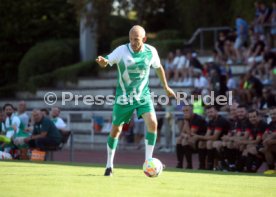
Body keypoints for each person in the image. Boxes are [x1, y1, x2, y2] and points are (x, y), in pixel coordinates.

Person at [96, 25, 176, 176]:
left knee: (153, 123)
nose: (133, 42)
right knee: (116, 130)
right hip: (123, 97)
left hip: (142, 96)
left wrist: (166, 87)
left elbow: (159, 68)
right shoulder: (121, 50)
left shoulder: (151, 51)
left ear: (144, 39)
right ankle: (109, 165)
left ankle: (148, 163)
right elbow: (107, 60)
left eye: (136, 39)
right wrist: (103, 62)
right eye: (131, 39)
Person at [175, 105, 207, 169]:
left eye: (187, 110)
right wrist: (186, 135)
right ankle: (180, 163)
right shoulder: (188, 118)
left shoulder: (197, 119)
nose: (185, 113)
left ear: (192, 110)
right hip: (193, 139)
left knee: (185, 141)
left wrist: (186, 122)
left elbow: (191, 134)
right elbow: (182, 133)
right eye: (183, 111)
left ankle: (190, 165)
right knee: (179, 140)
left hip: (202, 140)